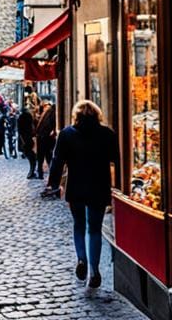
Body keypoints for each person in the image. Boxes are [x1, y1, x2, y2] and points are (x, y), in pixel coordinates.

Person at [47, 100, 120, 290]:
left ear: (76, 116)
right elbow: (116, 158)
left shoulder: (67, 134)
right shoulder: (107, 134)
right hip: (99, 186)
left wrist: (54, 184)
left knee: (79, 225)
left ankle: (82, 259)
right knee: (94, 228)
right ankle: (94, 270)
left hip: (76, 186)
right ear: (97, 115)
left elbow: (57, 160)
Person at [35, 100, 57, 179]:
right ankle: (50, 174)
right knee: (48, 156)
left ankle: (41, 173)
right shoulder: (52, 112)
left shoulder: (47, 112)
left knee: (42, 156)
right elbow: (53, 123)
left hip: (42, 136)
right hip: (46, 137)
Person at [18, 103, 38, 178]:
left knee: (30, 156)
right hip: (28, 139)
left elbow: (20, 130)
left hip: (25, 139)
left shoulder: (21, 118)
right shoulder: (28, 117)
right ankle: (31, 172)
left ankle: (32, 172)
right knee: (31, 156)